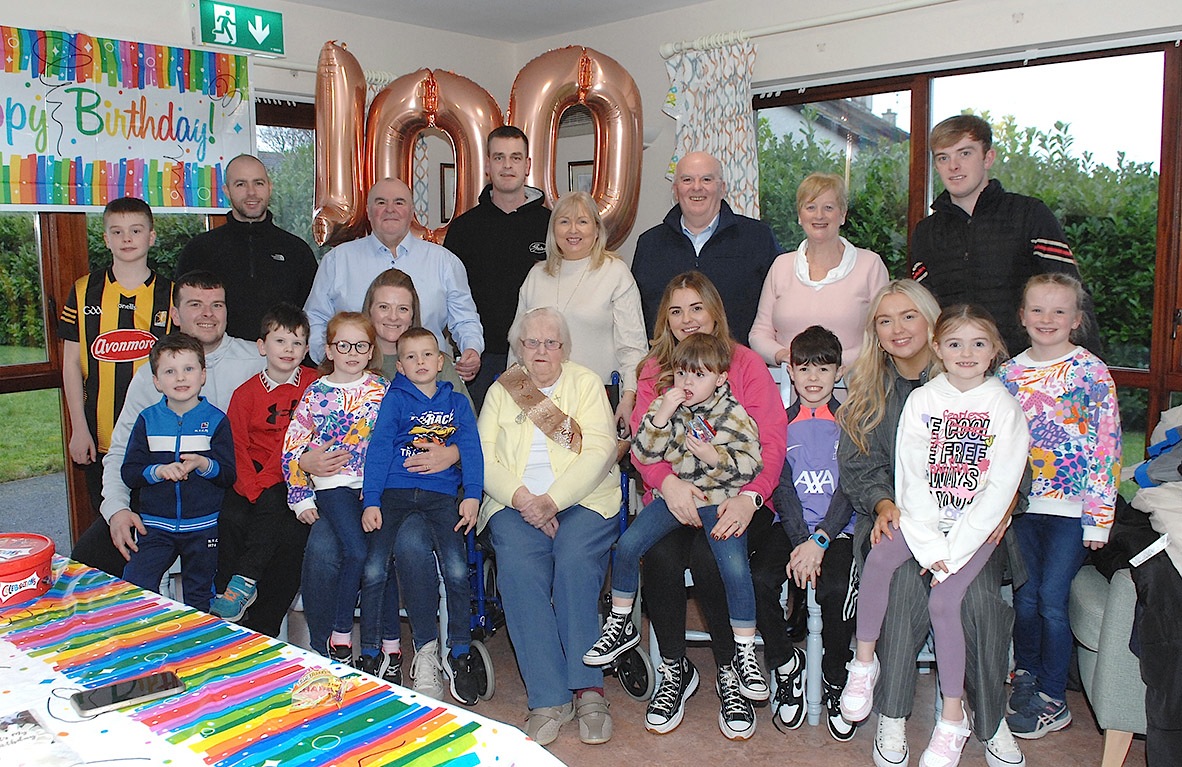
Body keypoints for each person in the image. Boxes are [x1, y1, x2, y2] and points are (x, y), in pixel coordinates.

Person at [837, 280, 1028, 767]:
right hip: (896, 522)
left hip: (975, 527)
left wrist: (1003, 511)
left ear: (932, 325)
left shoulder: (981, 384)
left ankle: (989, 722)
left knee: (979, 600)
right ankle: (894, 714)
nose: (897, 328)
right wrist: (882, 504)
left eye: (908, 316)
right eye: (885, 320)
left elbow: (1014, 471)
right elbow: (859, 468)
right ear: (875, 334)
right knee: (900, 583)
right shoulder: (866, 391)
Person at [629, 272, 787, 740]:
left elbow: (773, 442)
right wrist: (667, 484)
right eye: (675, 311)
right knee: (657, 554)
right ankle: (675, 671)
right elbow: (643, 447)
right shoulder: (654, 368)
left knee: (707, 556)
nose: (686, 319)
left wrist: (750, 496)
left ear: (715, 311)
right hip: (679, 498)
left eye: (696, 307)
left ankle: (730, 674)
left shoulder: (744, 363)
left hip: (741, 499)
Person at [585, 333, 765, 701]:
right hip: (677, 500)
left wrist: (716, 459)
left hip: (720, 503)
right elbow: (645, 454)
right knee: (629, 544)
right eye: (682, 374)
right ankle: (620, 623)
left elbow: (751, 465)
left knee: (733, 567)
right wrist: (663, 414)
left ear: (720, 378)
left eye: (698, 375)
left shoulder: (734, 415)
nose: (687, 383)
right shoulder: (670, 410)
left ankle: (744, 651)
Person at [477, 307, 621, 746]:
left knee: (575, 560)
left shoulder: (585, 383)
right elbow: (484, 454)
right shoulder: (505, 389)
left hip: (583, 500)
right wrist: (525, 501)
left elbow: (599, 451)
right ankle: (548, 696)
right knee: (520, 569)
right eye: (531, 343)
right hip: (514, 503)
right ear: (519, 348)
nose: (541, 351)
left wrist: (552, 502)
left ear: (565, 347)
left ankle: (589, 690)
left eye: (550, 343)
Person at [297, 270, 451, 661]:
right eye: (383, 306)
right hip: (341, 488)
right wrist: (305, 461)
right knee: (323, 547)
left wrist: (453, 454)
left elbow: (467, 430)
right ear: (369, 311)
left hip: (410, 488)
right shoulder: (329, 383)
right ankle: (324, 651)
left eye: (404, 308)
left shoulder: (433, 361)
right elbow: (302, 433)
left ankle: (420, 650)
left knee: (410, 544)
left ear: (415, 314)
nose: (394, 316)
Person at [71, 271, 263, 578]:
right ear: (174, 314)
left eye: (217, 305)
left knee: (239, 537)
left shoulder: (258, 359)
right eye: (195, 305)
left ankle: (234, 618)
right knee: (85, 563)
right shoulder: (152, 373)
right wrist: (117, 510)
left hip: (224, 489)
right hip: (157, 493)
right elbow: (121, 452)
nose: (207, 315)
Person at [998, 273, 1121, 739]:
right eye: (1037, 310)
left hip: (1073, 512)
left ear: (1076, 319)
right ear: (1022, 316)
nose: (1047, 320)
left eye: (1058, 311)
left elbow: (1107, 445)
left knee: (1052, 600)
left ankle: (1054, 694)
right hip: (1024, 508)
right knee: (1025, 599)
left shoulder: (1091, 372)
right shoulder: (1008, 373)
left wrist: (1099, 518)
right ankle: (1025, 675)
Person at [910, 114, 1100, 357]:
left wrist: (1090, 369)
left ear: (988, 157)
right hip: (957, 372)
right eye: (943, 157)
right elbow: (921, 309)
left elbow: (1072, 295)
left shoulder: (1029, 214)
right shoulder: (926, 233)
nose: (953, 166)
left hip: (1027, 372)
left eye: (965, 153)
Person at [362, 326, 483, 706]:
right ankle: (370, 653)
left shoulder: (457, 403)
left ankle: (459, 652)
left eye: (427, 355)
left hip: (441, 496)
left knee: (458, 570)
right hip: (395, 494)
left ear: (440, 361)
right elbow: (379, 450)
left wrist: (474, 496)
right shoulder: (395, 401)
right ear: (399, 366)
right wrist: (371, 500)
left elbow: (472, 450)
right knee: (374, 569)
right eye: (410, 357)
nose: (420, 362)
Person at [303, 177, 483, 389]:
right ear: (368, 212)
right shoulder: (336, 261)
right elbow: (315, 317)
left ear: (412, 211)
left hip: (429, 384)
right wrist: (329, 360)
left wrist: (471, 348)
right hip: (356, 385)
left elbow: (465, 318)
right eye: (381, 202)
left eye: (399, 202)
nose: (390, 209)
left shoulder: (445, 262)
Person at [59, 196, 173, 525]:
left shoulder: (169, 294)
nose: (127, 239)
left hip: (156, 436)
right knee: (110, 522)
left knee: (155, 526)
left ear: (151, 236)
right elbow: (70, 365)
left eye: (136, 230)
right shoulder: (83, 291)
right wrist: (79, 428)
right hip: (100, 437)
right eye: (117, 231)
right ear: (105, 238)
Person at [281, 312, 387, 662]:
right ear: (329, 350)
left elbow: (395, 436)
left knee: (375, 556)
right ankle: (336, 635)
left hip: (372, 488)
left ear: (371, 351)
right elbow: (294, 445)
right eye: (343, 345)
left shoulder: (381, 390)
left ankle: (375, 644)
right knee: (355, 551)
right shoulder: (316, 392)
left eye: (360, 345)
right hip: (332, 486)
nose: (352, 352)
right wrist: (300, 497)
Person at [772, 325, 858, 740]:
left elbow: (850, 488)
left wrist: (821, 538)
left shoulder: (852, 423)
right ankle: (787, 666)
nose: (812, 377)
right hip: (790, 531)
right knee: (756, 578)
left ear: (838, 372)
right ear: (789, 370)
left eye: (823, 368)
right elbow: (782, 487)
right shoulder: (779, 423)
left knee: (836, 587)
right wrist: (800, 543)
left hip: (837, 533)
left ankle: (835, 675)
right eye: (803, 367)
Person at [211, 303, 318, 633]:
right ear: (262, 346)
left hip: (295, 475)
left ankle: (261, 618)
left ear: (307, 348)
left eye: (297, 342)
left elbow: (295, 443)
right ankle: (227, 598)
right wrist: (250, 487)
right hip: (252, 477)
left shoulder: (315, 386)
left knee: (287, 534)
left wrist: (266, 484)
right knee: (230, 518)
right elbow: (236, 444)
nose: (289, 350)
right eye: (280, 341)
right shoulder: (245, 394)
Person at [120, 333, 236, 611]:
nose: (181, 378)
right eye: (170, 371)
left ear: (203, 375)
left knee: (200, 597)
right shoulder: (147, 420)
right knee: (135, 587)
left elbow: (228, 474)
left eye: (188, 369)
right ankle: (143, 641)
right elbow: (130, 472)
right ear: (157, 381)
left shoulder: (217, 420)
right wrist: (157, 471)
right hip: (155, 526)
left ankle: (199, 648)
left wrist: (203, 465)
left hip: (202, 526)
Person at [513, 191, 648, 429]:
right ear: (553, 230)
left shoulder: (615, 273)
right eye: (564, 221)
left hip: (595, 403)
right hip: (539, 407)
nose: (572, 230)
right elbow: (516, 350)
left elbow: (633, 348)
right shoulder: (536, 276)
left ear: (596, 230)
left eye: (582, 222)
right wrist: (518, 403)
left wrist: (629, 400)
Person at [444, 126, 550, 410]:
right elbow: (450, 298)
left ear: (527, 165)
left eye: (515, 158)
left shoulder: (551, 225)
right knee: (482, 443)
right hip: (481, 361)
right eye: (499, 157)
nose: (507, 165)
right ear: (488, 165)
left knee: (538, 438)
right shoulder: (464, 229)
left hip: (536, 358)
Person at [631, 151, 780, 345]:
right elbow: (637, 315)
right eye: (687, 180)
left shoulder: (758, 238)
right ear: (676, 191)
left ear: (722, 188)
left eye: (707, 179)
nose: (697, 187)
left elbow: (778, 306)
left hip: (740, 367)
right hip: (670, 369)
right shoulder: (649, 244)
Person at [749, 172, 889, 371]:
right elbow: (759, 333)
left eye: (829, 208)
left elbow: (881, 334)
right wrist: (787, 357)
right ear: (800, 215)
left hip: (853, 391)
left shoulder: (870, 265)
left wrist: (827, 364)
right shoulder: (781, 266)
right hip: (787, 391)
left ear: (842, 214)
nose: (819, 215)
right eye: (811, 207)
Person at [176, 154, 318, 341]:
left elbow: (313, 317)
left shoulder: (297, 252)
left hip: (282, 364)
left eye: (258, 183)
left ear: (269, 187)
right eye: (241, 184)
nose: (251, 192)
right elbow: (182, 314)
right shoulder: (199, 250)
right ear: (227, 191)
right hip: (216, 365)